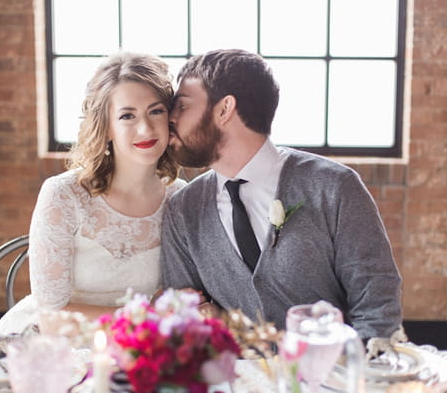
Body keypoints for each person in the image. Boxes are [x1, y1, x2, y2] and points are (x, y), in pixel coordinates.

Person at [160, 48, 402, 339]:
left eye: (183, 105)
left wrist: (348, 376)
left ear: (224, 109)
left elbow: (377, 307)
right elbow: (186, 316)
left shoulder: (335, 187)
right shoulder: (183, 209)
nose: (170, 118)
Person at [0, 52, 185, 345]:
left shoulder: (178, 197)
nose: (145, 129)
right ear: (107, 126)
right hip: (64, 349)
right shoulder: (63, 195)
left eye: (156, 111)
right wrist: (145, 320)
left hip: (146, 350)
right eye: (127, 115)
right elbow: (51, 317)